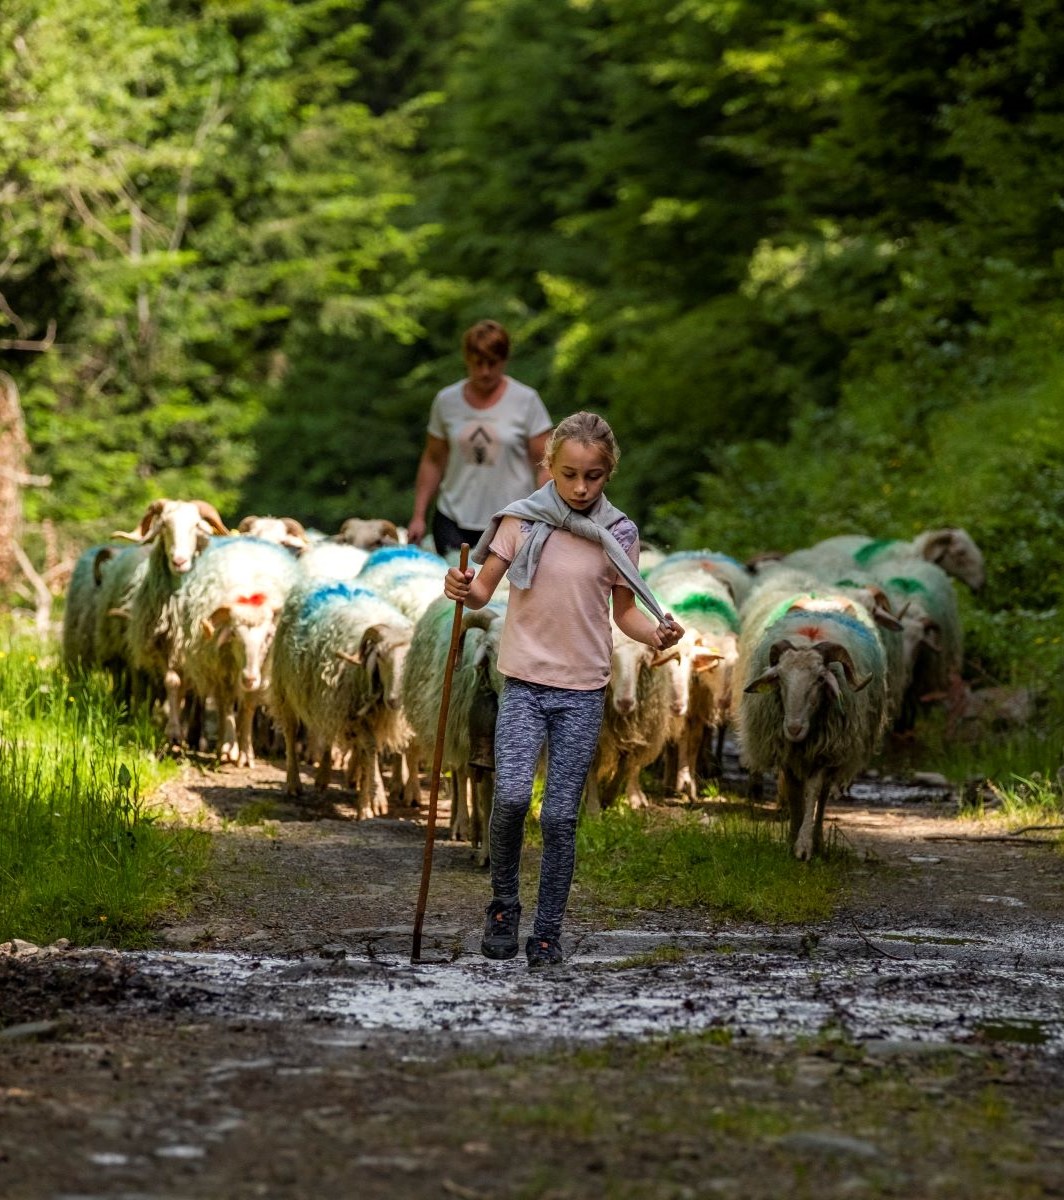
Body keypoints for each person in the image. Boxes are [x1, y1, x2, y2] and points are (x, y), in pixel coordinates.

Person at [442, 411, 685, 970]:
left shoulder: (618, 533)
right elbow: (481, 592)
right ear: (547, 465)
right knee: (507, 799)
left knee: (558, 817)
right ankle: (503, 906)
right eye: (570, 473)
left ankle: (547, 931)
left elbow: (625, 612)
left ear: (608, 474)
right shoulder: (520, 523)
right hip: (524, 682)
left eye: (593, 476)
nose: (580, 487)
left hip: (581, 689)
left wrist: (657, 633)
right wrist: (460, 587)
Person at [408, 320, 552, 554]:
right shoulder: (446, 401)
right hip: (453, 518)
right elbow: (433, 460)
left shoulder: (526, 401)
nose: (485, 371)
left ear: (504, 361)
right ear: (467, 360)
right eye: (478, 364)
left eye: (492, 364)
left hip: (513, 519)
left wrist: (545, 514)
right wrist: (418, 516)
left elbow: (546, 463)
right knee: (454, 588)